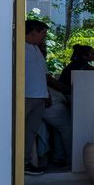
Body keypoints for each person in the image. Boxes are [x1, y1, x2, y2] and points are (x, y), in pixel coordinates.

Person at [22, 19, 53, 173]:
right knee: (18, 131)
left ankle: (25, 163)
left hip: (39, 97)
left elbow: (43, 75)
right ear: (33, 32)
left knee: (30, 131)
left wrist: (46, 95)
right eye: (43, 33)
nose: (44, 37)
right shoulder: (19, 47)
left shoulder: (36, 50)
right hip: (25, 97)